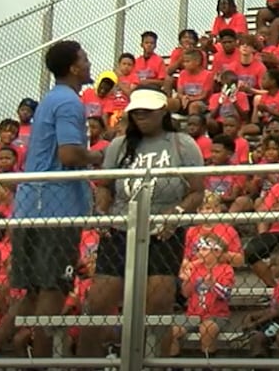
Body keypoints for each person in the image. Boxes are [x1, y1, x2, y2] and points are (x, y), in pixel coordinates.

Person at [78, 88, 205, 357]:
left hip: (164, 231)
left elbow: (196, 191)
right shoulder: (119, 146)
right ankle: (85, 361)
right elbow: (105, 187)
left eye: (147, 110)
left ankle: (155, 360)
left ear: (162, 111)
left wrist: (177, 212)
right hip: (122, 227)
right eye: (136, 111)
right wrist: (103, 212)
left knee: (158, 301)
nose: (141, 115)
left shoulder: (181, 143)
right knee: (99, 300)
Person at [5, 41, 102, 359]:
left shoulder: (50, 98)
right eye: (84, 59)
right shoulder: (70, 103)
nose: (89, 63)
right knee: (53, 287)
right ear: (74, 67)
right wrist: (99, 155)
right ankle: (43, 361)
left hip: (29, 204)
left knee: (32, 291)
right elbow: (70, 153)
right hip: (54, 207)